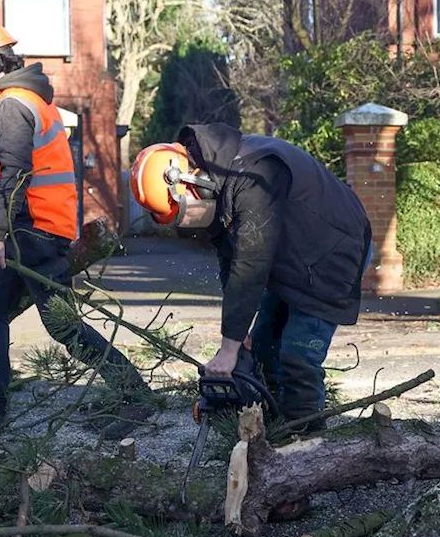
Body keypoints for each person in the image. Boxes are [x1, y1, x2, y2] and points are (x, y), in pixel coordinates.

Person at [0, 22, 155, 439]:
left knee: (63, 325)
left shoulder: (10, 105)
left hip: (33, 231)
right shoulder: (31, 100)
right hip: (38, 228)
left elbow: (15, 175)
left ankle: (136, 395)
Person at [130, 123, 373, 431]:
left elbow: (252, 262)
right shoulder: (221, 180)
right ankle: (273, 429)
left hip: (335, 250)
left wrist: (229, 349)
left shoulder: (254, 175)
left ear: (193, 179)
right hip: (295, 257)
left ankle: (307, 440)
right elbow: (230, 261)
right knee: (261, 348)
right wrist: (237, 332)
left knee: (297, 356)